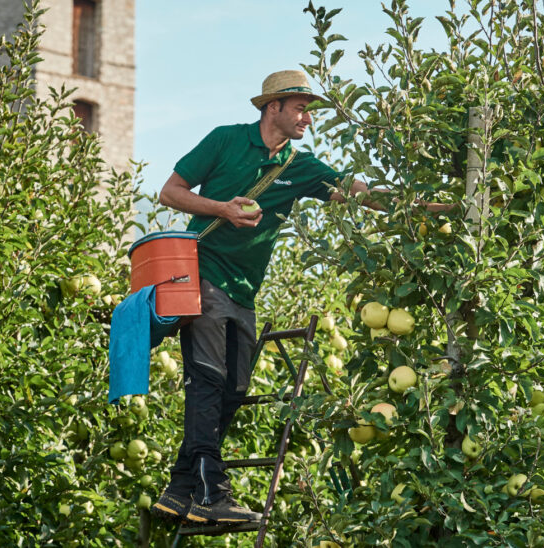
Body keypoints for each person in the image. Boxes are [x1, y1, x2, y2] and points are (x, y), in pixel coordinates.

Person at [151, 70, 445, 526]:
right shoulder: (226, 140)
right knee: (208, 379)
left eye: (310, 110)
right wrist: (223, 208)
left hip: (244, 292)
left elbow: (361, 194)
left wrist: (434, 205)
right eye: (301, 108)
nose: (308, 118)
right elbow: (170, 192)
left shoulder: (299, 166)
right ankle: (212, 492)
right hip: (203, 274)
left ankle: (179, 490)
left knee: (234, 389)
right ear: (274, 108)